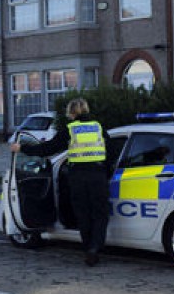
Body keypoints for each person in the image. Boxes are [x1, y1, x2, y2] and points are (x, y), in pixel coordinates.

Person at [10, 98, 111, 267]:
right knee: (100, 214)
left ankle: (88, 249)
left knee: (83, 213)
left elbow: (48, 149)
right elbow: (112, 150)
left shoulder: (70, 129)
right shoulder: (98, 127)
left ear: (72, 113)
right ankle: (95, 247)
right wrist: (106, 171)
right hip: (98, 176)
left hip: (78, 177)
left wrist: (22, 148)